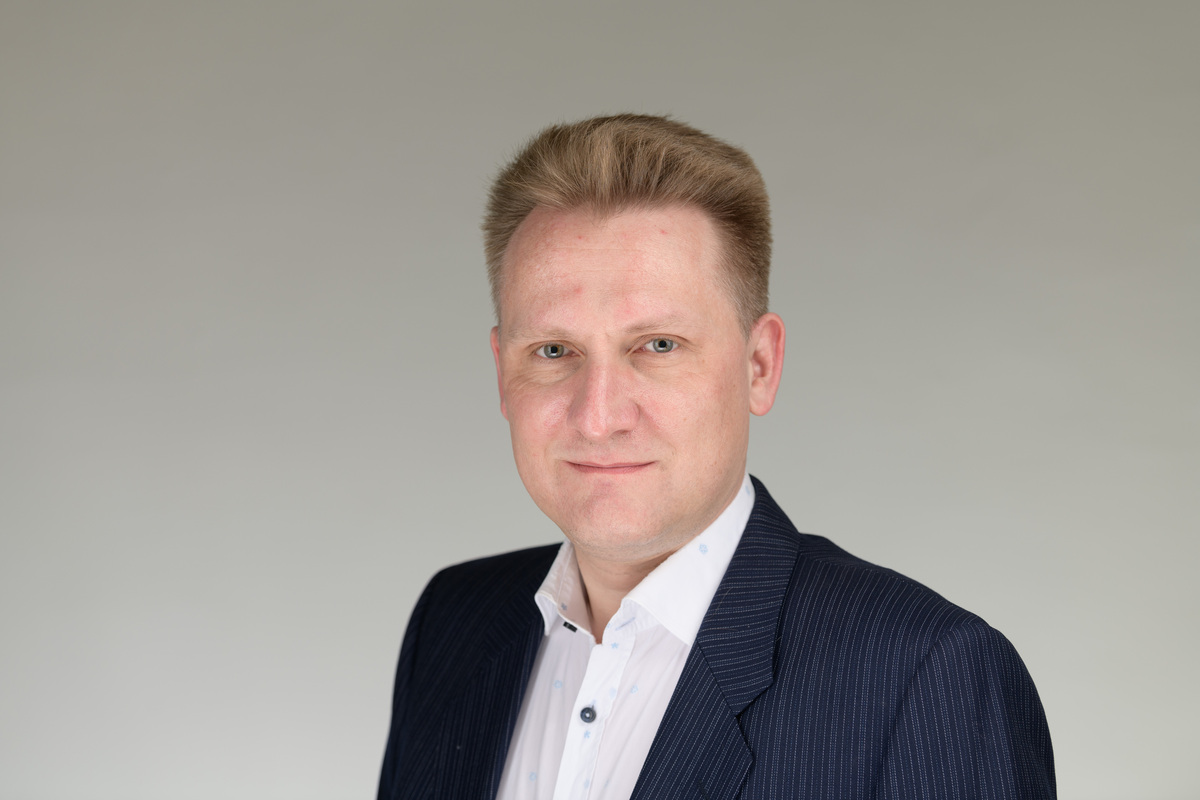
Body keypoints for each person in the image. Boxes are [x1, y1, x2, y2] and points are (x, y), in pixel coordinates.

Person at [377, 114, 1055, 800]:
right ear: (502, 373)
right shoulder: (454, 624)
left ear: (760, 365)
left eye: (659, 345)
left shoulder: (925, 676)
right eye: (554, 351)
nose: (600, 414)